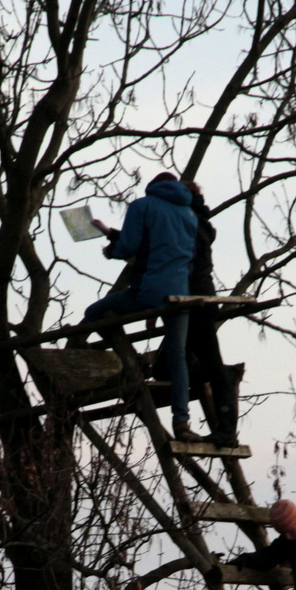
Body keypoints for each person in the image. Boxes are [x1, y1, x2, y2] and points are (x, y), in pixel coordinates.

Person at [84, 172, 201, 442]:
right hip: (180, 293)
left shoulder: (142, 205)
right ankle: (182, 423)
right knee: (177, 358)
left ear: (152, 187)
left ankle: (132, 359)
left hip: (149, 291)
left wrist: (111, 249)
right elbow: (163, 245)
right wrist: (109, 231)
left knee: (94, 313)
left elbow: (128, 247)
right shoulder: (189, 212)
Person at [184, 180, 240, 446]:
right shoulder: (197, 220)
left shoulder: (190, 222)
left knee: (213, 368)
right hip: (194, 300)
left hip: (198, 300)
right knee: (165, 368)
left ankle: (227, 430)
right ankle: (219, 373)